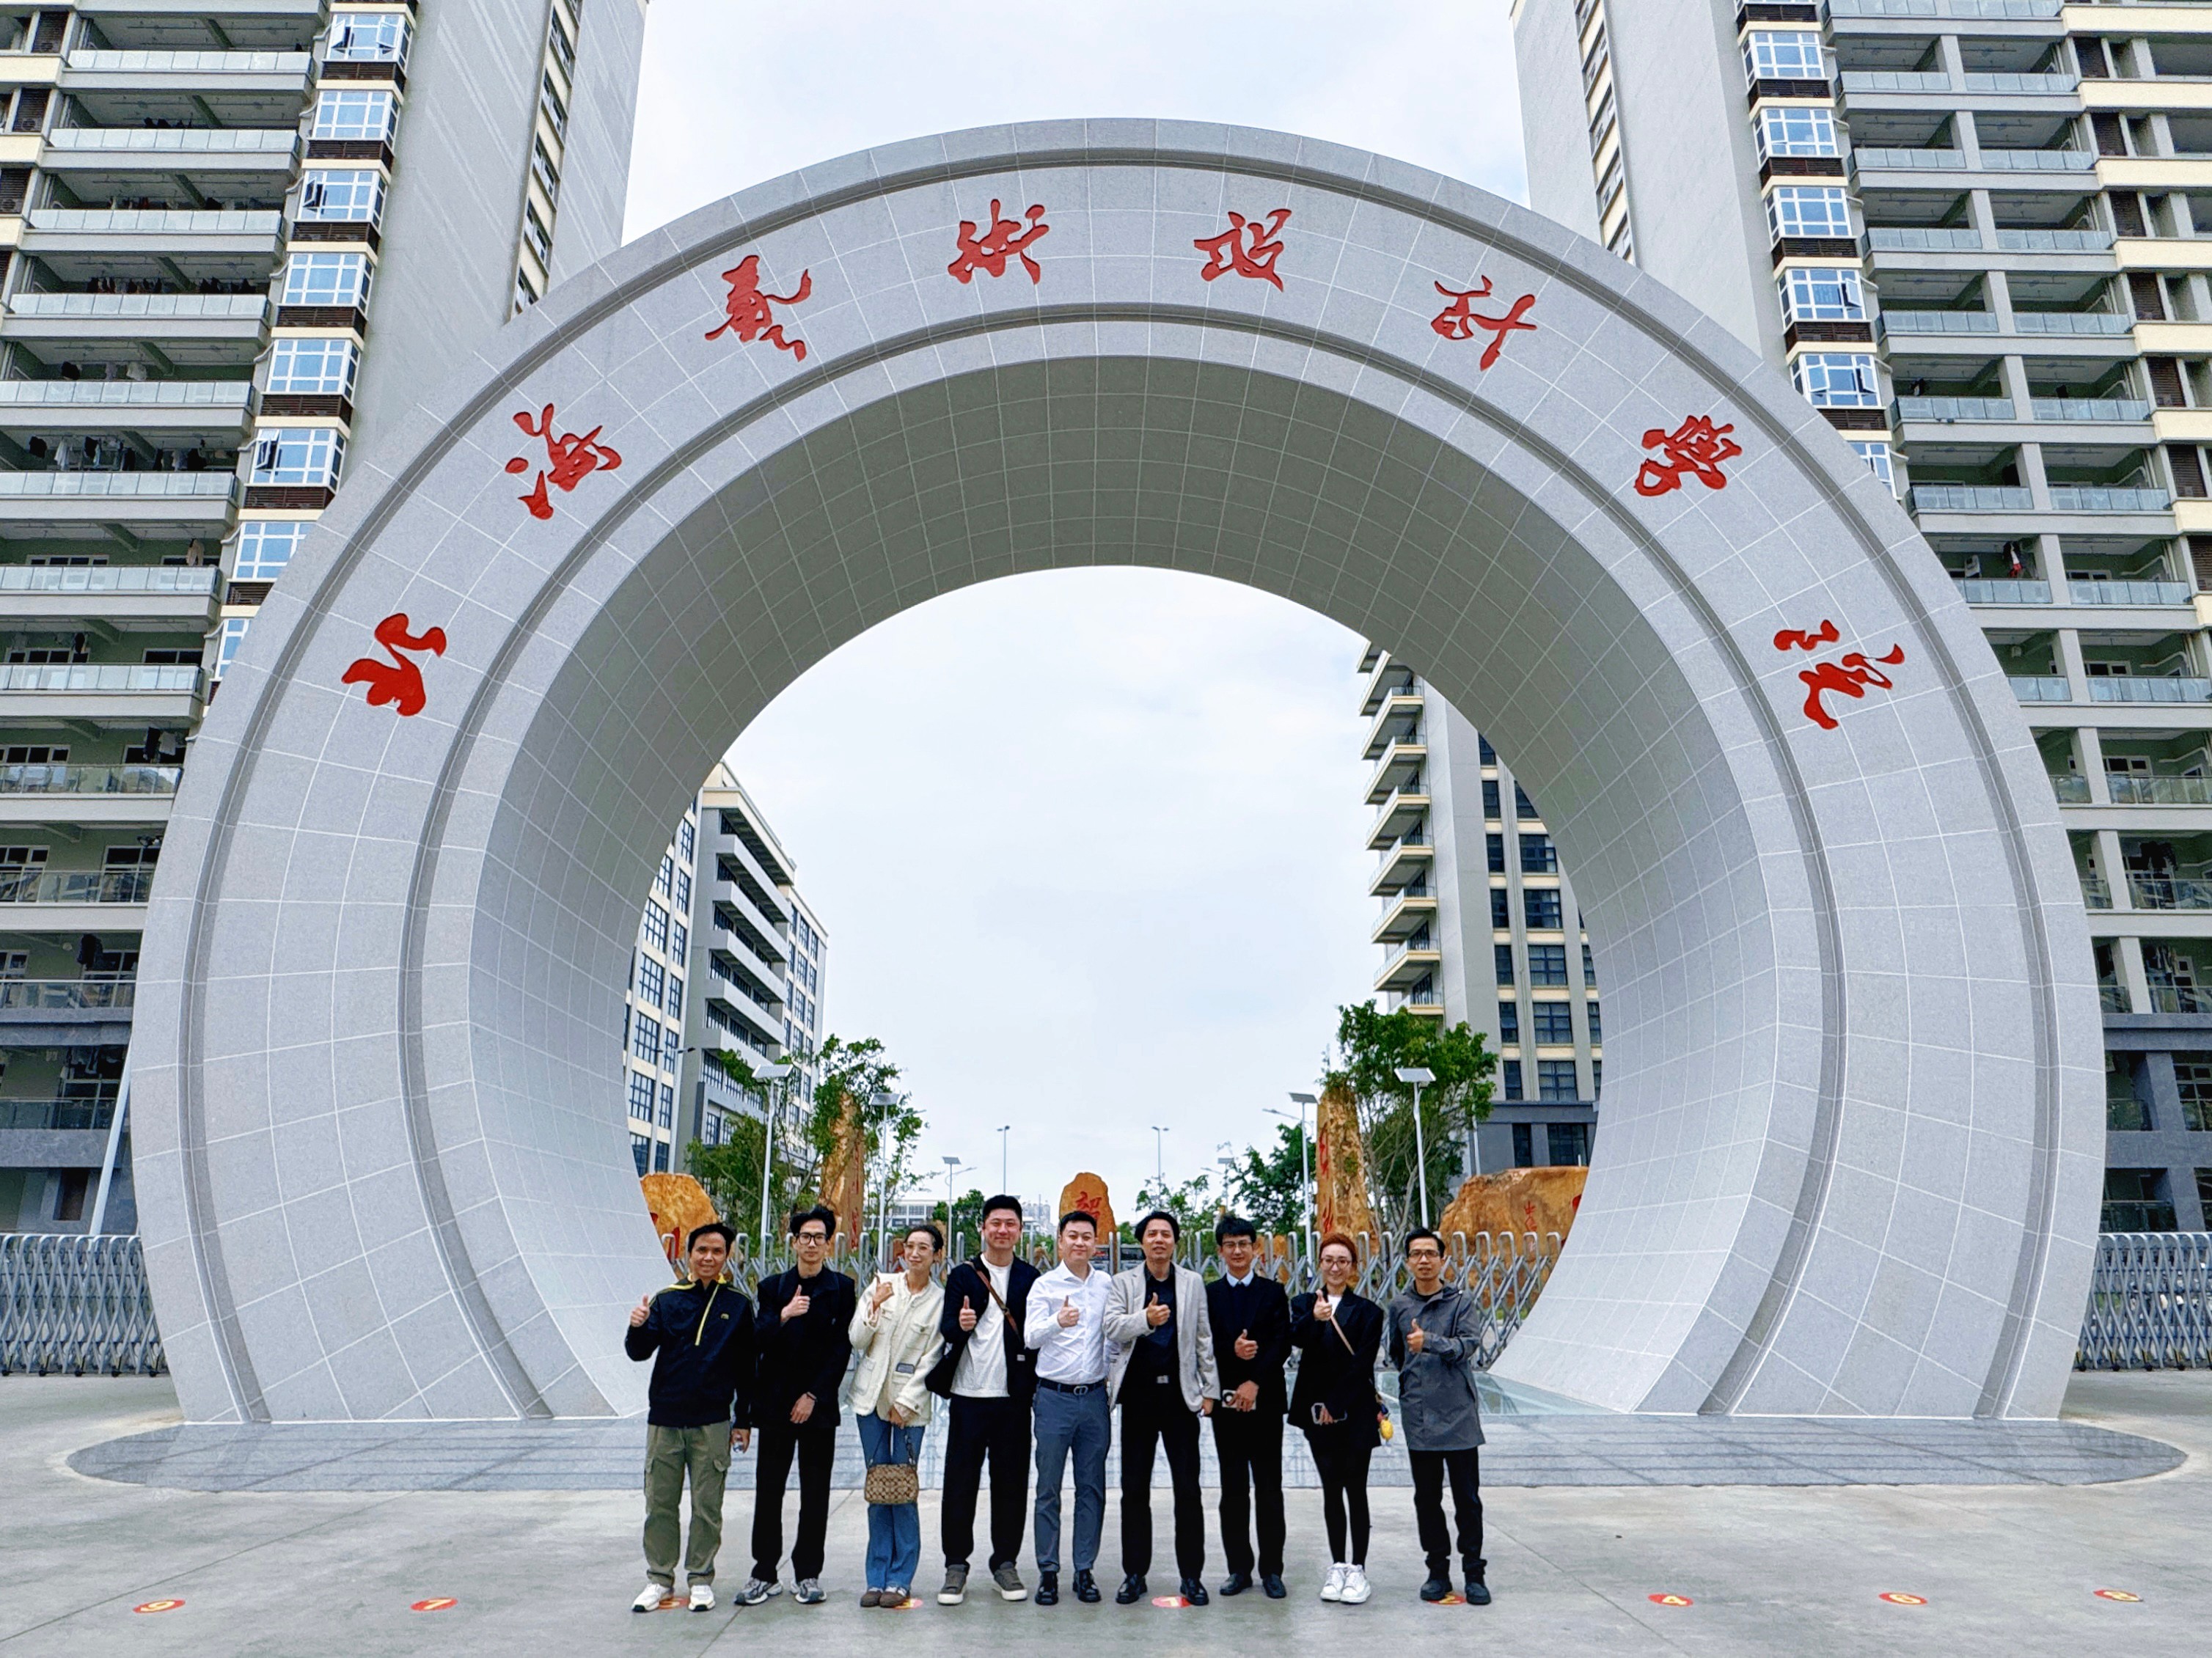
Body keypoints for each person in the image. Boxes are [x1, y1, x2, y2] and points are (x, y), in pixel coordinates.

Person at [623, 1221, 755, 1613]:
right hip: (665, 1421)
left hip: (712, 1422)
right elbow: (638, 1352)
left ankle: (700, 1578)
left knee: (707, 1507)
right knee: (659, 1504)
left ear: (727, 1256)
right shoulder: (667, 1300)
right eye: (702, 1250)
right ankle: (659, 1578)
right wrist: (637, 1326)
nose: (708, 1258)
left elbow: (747, 1369)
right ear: (689, 1255)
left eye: (717, 1251)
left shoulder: (738, 1304)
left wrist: (743, 1420)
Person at [928, 1193, 1040, 1605]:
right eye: (995, 1223)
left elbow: (1036, 1335)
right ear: (983, 1228)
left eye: (1010, 1224)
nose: (1002, 1230)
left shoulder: (1030, 1277)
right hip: (968, 1396)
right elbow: (947, 1329)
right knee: (960, 1483)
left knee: (1011, 1484)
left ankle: (1005, 1563)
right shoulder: (963, 1275)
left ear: (1020, 1231)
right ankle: (956, 1565)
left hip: (1013, 1400)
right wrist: (960, 1324)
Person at [1105, 1209, 1219, 1607]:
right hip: (1138, 1398)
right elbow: (1112, 1327)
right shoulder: (1123, 1283)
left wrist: (1210, 1390)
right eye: (1151, 1234)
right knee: (1134, 1489)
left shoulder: (1191, 1283)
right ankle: (1135, 1574)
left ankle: (1192, 1576)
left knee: (1188, 1489)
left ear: (1175, 1241)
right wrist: (1146, 1319)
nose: (1158, 1240)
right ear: (1141, 1242)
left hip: (1179, 1399)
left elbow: (1203, 1338)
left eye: (1165, 1234)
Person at [744, 1205, 856, 1607]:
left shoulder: (842, 1288)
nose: (811, 1244)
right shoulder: (772, 1288)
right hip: (775, 1405)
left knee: (816, 1493)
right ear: (793, 1243)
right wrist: (784, 1315)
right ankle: (763, 1572)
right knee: (769, 1490)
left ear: (829, 1244)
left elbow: (841, 1349)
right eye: (805, 1237)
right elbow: (756, 1340)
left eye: (819, 1238)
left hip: (817, 1407)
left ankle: (807, 1573)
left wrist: (814, 1395)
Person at [1388, 1227, 1490, 1605]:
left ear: (1443, 1260)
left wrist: (1429, 1342)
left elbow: (1468, 1345)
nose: (1424, 1261)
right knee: (1427, 1499)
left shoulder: (1460, 1302)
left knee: (1467, 1500)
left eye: (1431, 1254)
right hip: (1420, 1417)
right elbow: (1396, 1354)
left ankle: (1474, 1573)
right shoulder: (1399, 1306)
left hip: (1459, 1415)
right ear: (1407, 1262)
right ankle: (1437, 1571)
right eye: (1417, 1254)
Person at [849, 1222, 947, 1608]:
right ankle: (876, 1577)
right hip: (870, 1401)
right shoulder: (882, 1284)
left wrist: (906, 1403)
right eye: (910, 1246)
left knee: (902, 1490)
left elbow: (932, 1357)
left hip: (910, 1407)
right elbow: (857, 1339)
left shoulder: (939, 1301)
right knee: (878, 1489)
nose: (915, 1253)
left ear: (937, 1255)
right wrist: (874, 1306)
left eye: (924, 1247)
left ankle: (900, 1578)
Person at [1022, 1209, 1113, 1607]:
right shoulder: (1044, 1286)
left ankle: (1084, 1569)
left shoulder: (1107, 1285)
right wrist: (1057, 1321)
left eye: (1087, 1237)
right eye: (1072, 1236)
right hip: (1054, 1398)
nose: (1080, 1242)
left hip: (1094, 1398)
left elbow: (1114, 1337)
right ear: (1060, 1241)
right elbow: (1029, 1337)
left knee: (1091, 1488)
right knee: (1048, 1488)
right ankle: (1048, 1571)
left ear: (1096, 1243)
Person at [1290, 1233, 1384, 1605]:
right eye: (1328, 1260)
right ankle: (1337, 1565)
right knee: (1331, 1488)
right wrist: (1314, 1321)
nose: (1335, 1267)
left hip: (1355, 1411)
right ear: (1320, 1263)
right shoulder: (1303, 1304)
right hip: (1316, 1413)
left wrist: (1336, 1402)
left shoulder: (1369, 1312)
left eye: (1342, 1261)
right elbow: (1296, 1341)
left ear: (1353, 1267)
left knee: (1356, 1489)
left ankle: (1358, 1567)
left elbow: (1363, 1363)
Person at [1206, 1213, 1290, 1599]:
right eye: (1230, 1245)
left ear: (1255, 1249)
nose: (1237, 1251)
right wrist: (1232, 1351)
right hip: (1226, 1406)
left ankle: (1272, 1570)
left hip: (1265, 1402)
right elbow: (1203, 1344)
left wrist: (1254, 1381)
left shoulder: (1273, 1292)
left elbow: (1281, 1342)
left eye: (1244, 1244)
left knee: (1270, 1488)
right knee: (1233, 1488)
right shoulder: (1210, 1295)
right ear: (1220, 1251)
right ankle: (1238, 1569)